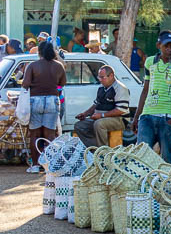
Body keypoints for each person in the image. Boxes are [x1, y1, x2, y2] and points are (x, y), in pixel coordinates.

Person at [132, 30, 171, 164]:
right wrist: (137, 117)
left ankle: (166, 184)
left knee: (166, 158)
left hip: (167, 117)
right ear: (159, 45)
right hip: (147, 116)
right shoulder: (150, 62)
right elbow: (145, 90)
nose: (169, 49)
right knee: (142, 155)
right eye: (166, 46)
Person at [22, 40, 65, 172]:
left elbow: (25, 84)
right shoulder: (59, 66)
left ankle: (35, 165)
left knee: (34, 134)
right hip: (52, 100)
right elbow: (62, 83)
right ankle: (49, 165)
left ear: (39, 52)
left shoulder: (33, 66)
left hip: (35, 100)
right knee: (50, 134)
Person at [74, 65, 129, 147]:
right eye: (99, 77)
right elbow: (96, 104)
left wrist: (102, 115)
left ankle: (103, 151)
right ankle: (94, 148)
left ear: (111, 76)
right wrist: (85, 114)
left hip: (119, 119)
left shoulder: (120, 88)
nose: (100, 80)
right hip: (101, 118)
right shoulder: (101, 87)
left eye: (102, 77)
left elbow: (121, 110)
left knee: (99, 124)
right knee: (79, 126)